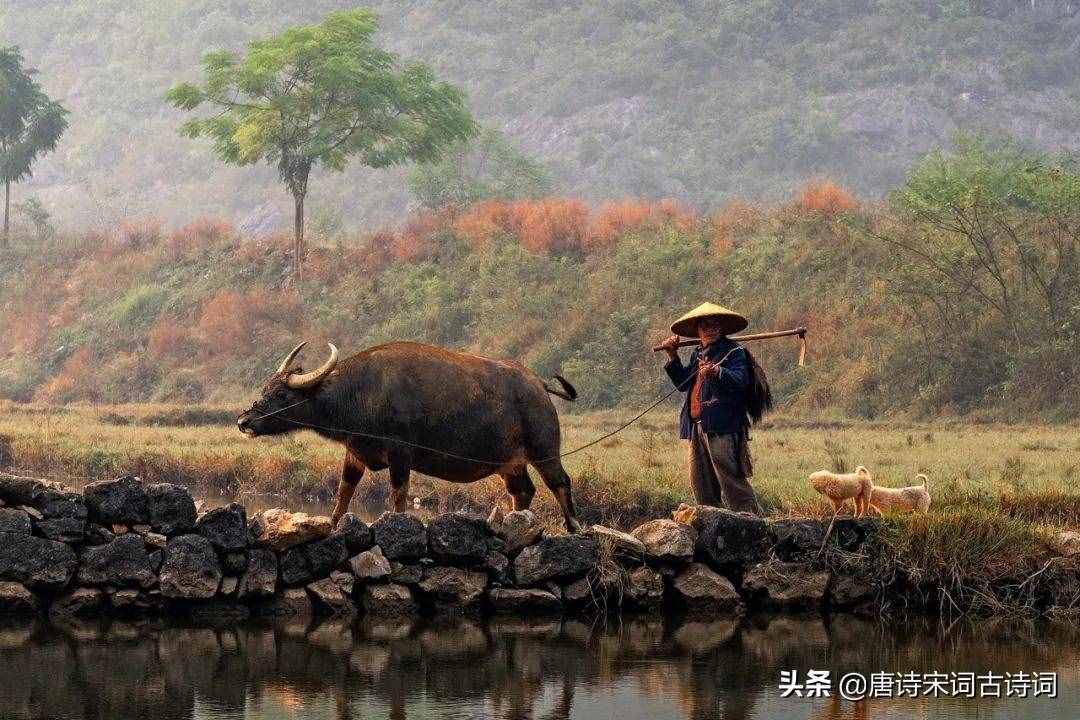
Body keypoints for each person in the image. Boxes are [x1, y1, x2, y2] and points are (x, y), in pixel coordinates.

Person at [658, 302, 770, 514]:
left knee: (731, 481)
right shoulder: (697, 353)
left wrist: (717, 372)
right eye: (704, 325)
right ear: (698, 330)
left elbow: (741, 381)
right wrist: (672, 356)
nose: (709, 329)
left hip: (723, 426)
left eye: (714, 325)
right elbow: (683, 384)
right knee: (701, 482)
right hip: (697, 426)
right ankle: (712, 525)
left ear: (721, 328)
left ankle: (754, 524)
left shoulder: (734, 352)